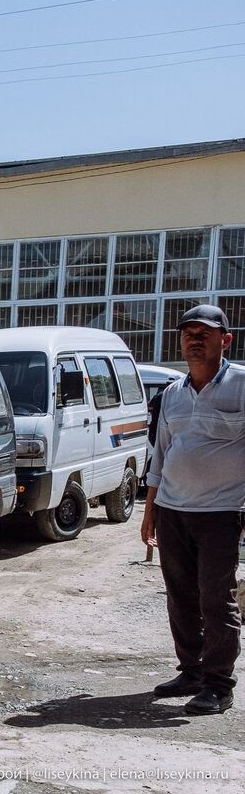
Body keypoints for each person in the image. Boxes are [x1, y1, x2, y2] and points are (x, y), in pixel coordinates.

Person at [141, 304, 244, 716]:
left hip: (222, 512)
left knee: (216, 599)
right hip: (172, 509)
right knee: (180, 596)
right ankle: (192, 671)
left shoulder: (241, 385)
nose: (195, 339)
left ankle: (219, 685)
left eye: (205, 332)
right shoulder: (171, 394)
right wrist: (149, 512)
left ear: (226, 339)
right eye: (188, 333)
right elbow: (160, 455)